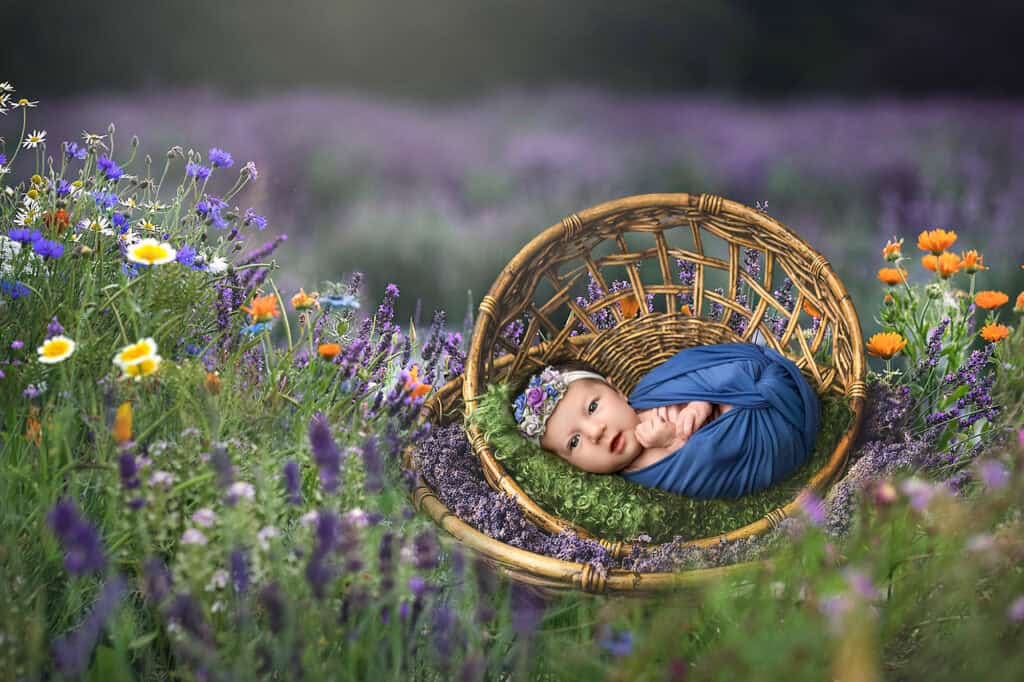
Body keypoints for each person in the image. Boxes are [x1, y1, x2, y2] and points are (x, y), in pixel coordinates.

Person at [513, 342, 820, 499]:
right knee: (756, 398)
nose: (595, 432)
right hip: (773, 438)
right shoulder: (643, 480)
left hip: (754, 387)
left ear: (617, 391)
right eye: (574, 442)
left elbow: (701, 367)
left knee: (753, 374)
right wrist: (673, 440)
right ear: (570, 466)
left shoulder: (653, 388)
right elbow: (709, 460)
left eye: (593, 407)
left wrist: (701, 400)